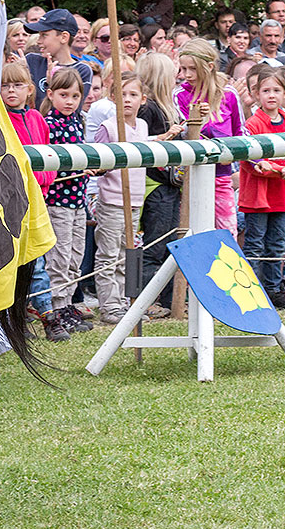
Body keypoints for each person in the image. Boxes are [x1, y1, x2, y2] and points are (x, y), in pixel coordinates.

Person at [0, 62, 65, 341]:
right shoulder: (0, 119)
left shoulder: (37, 118)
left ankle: (43, 312)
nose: (11, 90)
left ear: (29, 89)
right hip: (14, 198)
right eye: (5, 85)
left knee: (39, 256)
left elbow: (46, 152)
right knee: (25, 261)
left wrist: (48, 178)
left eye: (17, 85)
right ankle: (31, 314)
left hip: (40, 196)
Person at [239, 66, 285, 307]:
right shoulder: (253, 123)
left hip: (282, 194)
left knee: (278, 244)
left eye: (276, 90)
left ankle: (273, 290)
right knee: (255, 243)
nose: (271, 95)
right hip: (258, 196)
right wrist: (278, 169)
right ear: (256, 94)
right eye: (266, 90)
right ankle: (250, 291)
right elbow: (251, 161)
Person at [89, 74, 147, 325]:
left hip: (135, 199)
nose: (127, 100)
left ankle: (126, 301)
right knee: (109, 253)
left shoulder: (142, 126)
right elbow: (98, 162)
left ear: (142, 100)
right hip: (113, 199)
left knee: (128, 252)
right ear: (113, 98)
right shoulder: (109, 127)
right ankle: (109, 305)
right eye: (122, 94)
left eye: (133, 95)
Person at [176, 40, 245, 236]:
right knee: (193, 232)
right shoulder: (179, 95)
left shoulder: (229, 94)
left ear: (209, 67)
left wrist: (254, 162)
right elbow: (183, 133)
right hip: (191, 176)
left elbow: (240, 132)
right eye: (183, 68)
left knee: (227, 231)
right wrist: (196, 118)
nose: (187, 75)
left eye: (192, 69)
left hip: (222, 174)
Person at [40, 68, 90, 328]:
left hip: (78, 201)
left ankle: (68, 303)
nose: (69, 101)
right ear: (51, 94)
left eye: (74, 96)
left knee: (75, 256)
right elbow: (50, 161)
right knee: (59, 256)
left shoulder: (77, 121)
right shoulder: (50, 124)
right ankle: (56, 307)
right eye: (63, 95)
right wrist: (76, 169)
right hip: (58, 200)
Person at [135, 53, 184, 314]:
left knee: (169, 245)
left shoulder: (167, 106)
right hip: (156, 186)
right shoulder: (149, 108)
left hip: (169, 185)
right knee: (156, 246)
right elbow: (148, 144)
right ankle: (148, 301)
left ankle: (168, 300)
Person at [23, 8, 94, 107]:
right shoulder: (32, 61)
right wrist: (18, 72)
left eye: (44, 35)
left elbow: (71, 111)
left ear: (64, 37)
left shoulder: (82, 70)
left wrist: (52, 84)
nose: (38, 41)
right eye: (39, 35)